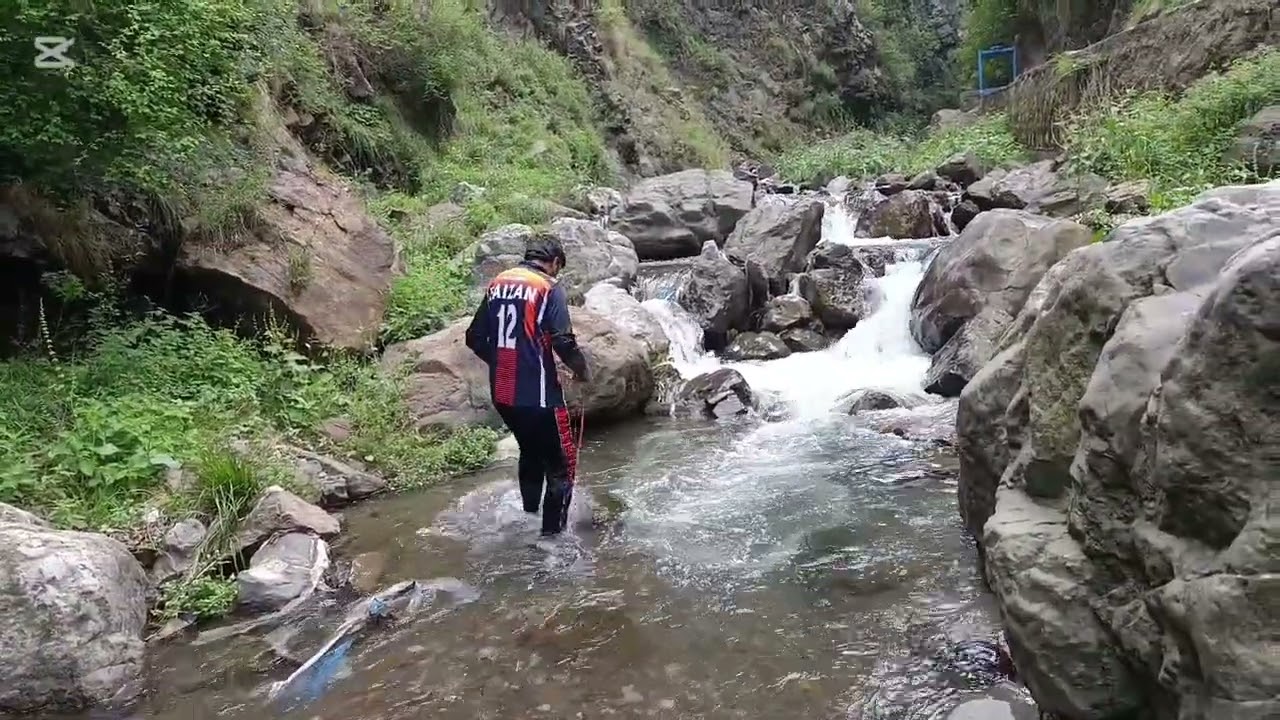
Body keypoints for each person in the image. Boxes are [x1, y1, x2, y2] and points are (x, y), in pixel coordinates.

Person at [464, 235, 591, 537]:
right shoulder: (548, 287)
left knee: (531, 452)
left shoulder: (498, 283)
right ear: (555, 262)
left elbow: (474, 337)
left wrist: (502, 361)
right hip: (540, 395)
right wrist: (582, 371)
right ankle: (552, 541)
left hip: (503, 392)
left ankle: (529, 517)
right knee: (562, 468)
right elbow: (563, 340)